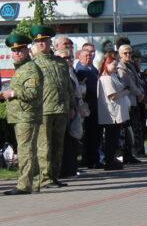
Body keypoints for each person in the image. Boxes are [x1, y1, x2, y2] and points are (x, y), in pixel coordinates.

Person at [30, 25, 75, 190]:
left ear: (50, 42)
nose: (42, 44)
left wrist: (72, 106)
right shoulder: (33, 64)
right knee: (44, 145)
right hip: (43, 110)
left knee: (58, 144)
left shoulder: (61, 63)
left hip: (61, 108)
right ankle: (45, 178)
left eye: (45, 41)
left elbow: (69, 87)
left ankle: (55, 176)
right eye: (38, 41)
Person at [2, 34, 44, 195]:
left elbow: (32, 93)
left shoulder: (30, 68)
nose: (17, 53)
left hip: (26, 116)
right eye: (14, 51)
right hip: (21, 115)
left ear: (27, 50)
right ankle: (34, 183)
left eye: (20, 50)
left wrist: (12, 93)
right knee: (28, 149)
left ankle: (24, 185)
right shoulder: (21, 69)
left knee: (26, 150)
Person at [97, 54, 131, 170]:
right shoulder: (106, 78)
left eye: (117, 65)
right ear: (106, 64)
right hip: (112, 114)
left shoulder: (112, 76)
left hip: (116, 113)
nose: (116, 67)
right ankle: (109, 160)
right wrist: (126, 92)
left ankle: (111, 159)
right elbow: (113, 96)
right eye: (114, 65)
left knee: (114, 137)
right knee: (111, 138)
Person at [56, 48, 84, 178]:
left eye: (70, 58)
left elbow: (74, 91)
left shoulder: (71, 71)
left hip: (73, 108)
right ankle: (66, 169)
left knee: (73, 140)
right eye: (64, 58)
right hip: (63, 110)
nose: (68, 60)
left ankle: (72, 167)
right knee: (66, 140)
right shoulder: (59, 72)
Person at [116, 43, 144, 164]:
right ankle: (127, 154)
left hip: (134, 100)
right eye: (125, 53)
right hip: (128, 101)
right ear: (120, 54)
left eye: (130, 53)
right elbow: (129, 83)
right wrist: (139, 93)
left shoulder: (130, 65)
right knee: (128, 129)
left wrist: (142, 92)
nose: (128, 55)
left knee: (134, 128)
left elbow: (137, 80)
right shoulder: (120, 67)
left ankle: (131, 153)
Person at [75, 46, 101, 168]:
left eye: (92, 53)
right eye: (86, 54)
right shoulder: (81, 70)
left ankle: (93, 159)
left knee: (95, 134)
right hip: (88, 106)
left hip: (95, 106)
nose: (89, 55)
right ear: (79, 56)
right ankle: (90, 160)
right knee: (90, 135)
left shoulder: (93, 69)